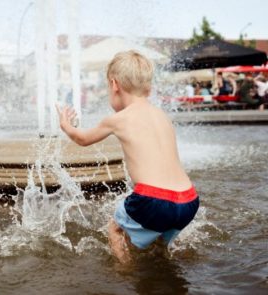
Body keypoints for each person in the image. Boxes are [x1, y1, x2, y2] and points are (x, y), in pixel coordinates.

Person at [56, 51, 199, 263]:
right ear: (148, 89)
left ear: (114, 85)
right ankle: (162, 266)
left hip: (153, 200)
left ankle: (126, 275)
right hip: (188, 199)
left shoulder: (118, 119)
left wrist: (66, 125)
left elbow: (82, 139)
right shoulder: (162, 116)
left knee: (115, 229)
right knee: (160, 241)